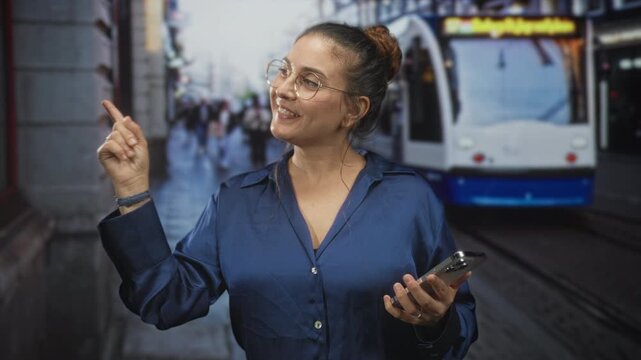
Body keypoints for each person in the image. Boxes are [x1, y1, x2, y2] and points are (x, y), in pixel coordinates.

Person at [96, 22, 478, 359]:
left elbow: (459, 327)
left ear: (354, 109)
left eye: (309, 81)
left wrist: (437, 319)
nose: (282, 89)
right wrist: (132, 190)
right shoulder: (235, 201)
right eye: (285, 70)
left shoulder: (412, 199)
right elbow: (166, 301)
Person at [242, 93, 272, 168]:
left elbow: (268, 119)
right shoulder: (250, 111)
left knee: (262, 146)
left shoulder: (264, 111)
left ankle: (262, 160)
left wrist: (261, 117)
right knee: (254, 146)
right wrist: (253, 117)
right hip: (253, 131)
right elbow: (246, 121)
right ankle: (255, 160)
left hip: (262, 131)